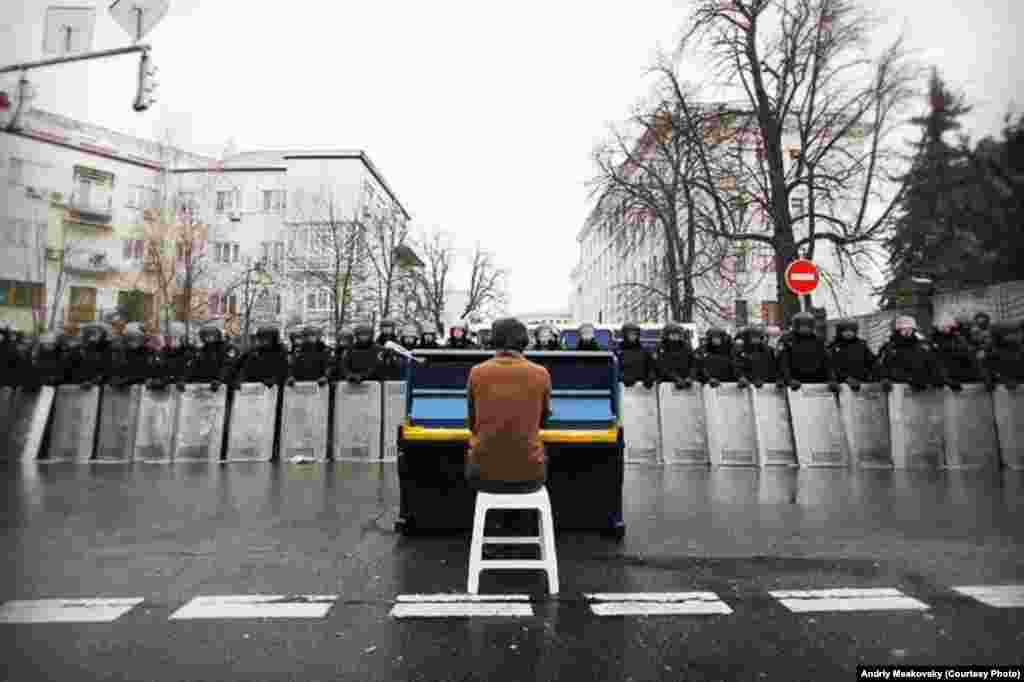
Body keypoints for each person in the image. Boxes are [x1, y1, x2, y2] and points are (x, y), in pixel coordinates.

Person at [465, 317, 551, 496]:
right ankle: (524, 523)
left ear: (494, 341)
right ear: (523, 341)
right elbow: (544, 422)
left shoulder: (476, 372)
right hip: (530, 476)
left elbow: (472, 425)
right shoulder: (541, 374)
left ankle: (493, 523)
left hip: (482, 475)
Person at [875, 315, 945, 392]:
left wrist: (939, 379)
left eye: (910, 329)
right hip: (898, 391)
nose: (907, 332)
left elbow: (934, 364)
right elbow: (881, 367)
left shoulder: (923, 347)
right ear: (897, 330)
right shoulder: (890, 348)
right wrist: (885, 380)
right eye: (904, 329)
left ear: (914, 330)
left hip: (923, 393)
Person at [777, 312, 839, 393]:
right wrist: (788, 379)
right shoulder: (787, 340)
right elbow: (783, 362)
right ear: (795, 326)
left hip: (818, 383)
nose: (804, 328)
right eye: (802, 326)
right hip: (795, 384)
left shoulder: (818, 340)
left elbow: (827, 361)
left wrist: (832, 379)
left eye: (807, 326)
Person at [827, 319, 875, 391]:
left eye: (851, 330)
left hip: (861, 385)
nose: (848, 333)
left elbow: (873, 363)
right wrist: (845, 378)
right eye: (845, 330)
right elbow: (831, 366)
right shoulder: (833, 347)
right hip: (840, 387)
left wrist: (872, 377)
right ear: (840, 331)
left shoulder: (861, 345)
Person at [733, 324, 778, 388]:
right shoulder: (741, 350)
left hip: (765, 385)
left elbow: (772, 367)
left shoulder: (767, 350)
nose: (755, 339)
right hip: (746, 384)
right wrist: (741, 377)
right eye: (753, 337)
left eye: (757, 337)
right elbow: (737, 365)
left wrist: (765, 379)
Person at [655, 322, 697, 389]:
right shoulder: (662, 348)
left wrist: (690, 377)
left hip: (686, 383)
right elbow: (662, 367)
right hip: (667, 384)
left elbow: (694, 363)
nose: (675, 336)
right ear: (667, 335)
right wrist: (676, 378)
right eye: (672, 334)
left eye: (677, 334)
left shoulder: (686, 347)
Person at [616, 322, 656, 388]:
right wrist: (623, 377)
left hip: (643, 389)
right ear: (625, 335)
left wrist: (650, 377)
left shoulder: (644, 350)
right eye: (630, 334)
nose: (633, 336)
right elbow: (615, 369)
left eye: (635, 334)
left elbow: (651, 366)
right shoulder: (618, 351)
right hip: (624, 389)